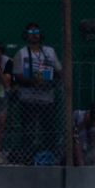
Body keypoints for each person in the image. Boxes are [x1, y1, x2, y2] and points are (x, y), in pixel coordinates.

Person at [12, 24, 62, 165]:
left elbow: (59, 72)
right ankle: (28, 158)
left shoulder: (50, 52)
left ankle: (49, 157)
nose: (35, 34)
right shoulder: (21, 53)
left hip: (47, 99)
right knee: (28, 131)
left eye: (37, 31)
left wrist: (47, 83)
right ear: (25, 35)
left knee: (49, 131)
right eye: (31, 31)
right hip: (28, 99)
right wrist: (32, 81)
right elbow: (17, 76)